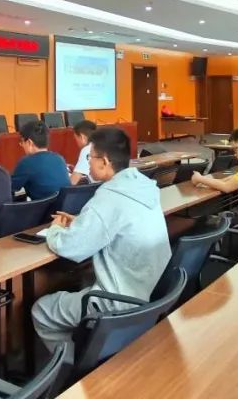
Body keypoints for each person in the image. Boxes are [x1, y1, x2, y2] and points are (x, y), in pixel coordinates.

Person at [32, 127, 170, 351]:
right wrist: (83, 221)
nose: (88, 162)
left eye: (90, 157)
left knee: (42, 311)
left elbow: (69, 247)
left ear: (104, 162)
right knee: (85, 278)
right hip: (149, 288)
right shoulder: (141, 185)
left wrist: (55, 228)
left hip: (116, 300)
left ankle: (74, 366)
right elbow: (118, 221)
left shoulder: (109, 196)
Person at [11, 120, 70, 199]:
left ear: (29, 142)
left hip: (43, 206)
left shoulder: (26, 163)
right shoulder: (59, 158)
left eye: (21, 142)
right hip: (66, 205)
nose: (21, 145)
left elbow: (10, 188)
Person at [69, 120, 98, 185]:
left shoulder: (87, 149)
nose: (76, 142)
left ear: (82, 137)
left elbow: (73, 181)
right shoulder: (104, 145)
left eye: (76, 138)